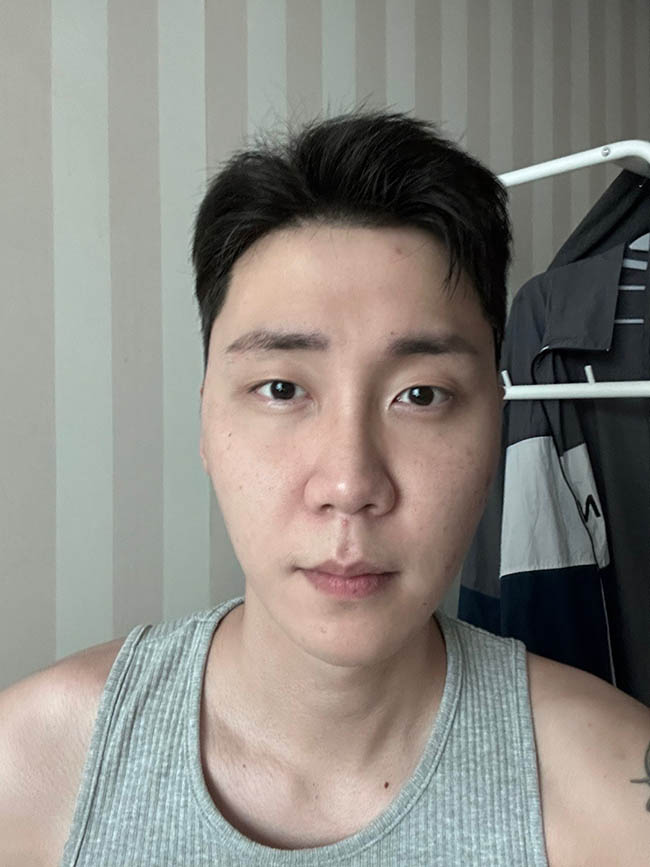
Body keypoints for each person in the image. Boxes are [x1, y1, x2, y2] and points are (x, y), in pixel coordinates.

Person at [1, 110, 649, 866]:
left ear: (496, 424)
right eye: (282, 388)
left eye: (422, 395)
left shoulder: (616, 797)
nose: (349, 484)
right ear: (206, 419)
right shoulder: (27, 770)